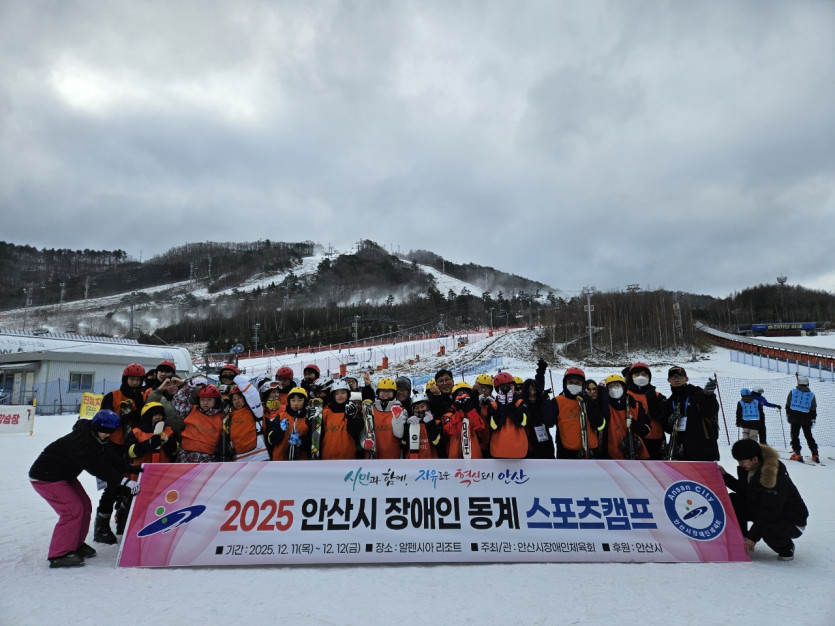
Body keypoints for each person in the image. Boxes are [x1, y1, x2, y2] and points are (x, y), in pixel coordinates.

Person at [29, 410, 140, 568]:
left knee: (85, 506)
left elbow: (109, 456)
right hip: (45, 477)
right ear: (96, 427)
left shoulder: (97, 438)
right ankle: (59, 554)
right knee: (72, 510)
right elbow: (97, 467)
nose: (108, 435)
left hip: (64, 475)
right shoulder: (79, 441)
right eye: (105, 431)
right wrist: (124, 481)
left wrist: (130, 468)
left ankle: (75, 544)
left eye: (111, 431)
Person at [720, 439, 809, 561]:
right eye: (738, 461)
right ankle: (742, 538)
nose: (740, 464)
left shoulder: (773, 476)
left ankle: (787, 548)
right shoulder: (750, 468)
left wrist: (753, 537)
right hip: (768, 510)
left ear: (755, 459)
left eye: (742, 461)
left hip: (791, 520)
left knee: (769, 530)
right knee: (735, 500)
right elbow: (745, 490)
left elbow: (769, 511)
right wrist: (724, 476)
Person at [94, 363, 146, 544]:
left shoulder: (142, 397)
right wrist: (125, 418)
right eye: (132, 379)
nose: (135, 383)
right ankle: (101, 526)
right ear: (125, 379)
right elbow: (103, 421)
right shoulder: (112, 396)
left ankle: (123, 520)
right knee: (112, 487)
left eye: (138, 380)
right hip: (113, 446)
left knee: (132, 486)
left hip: (134, 447)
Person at [662, 366, 720, 461]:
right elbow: (667, 428)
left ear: (686, 379)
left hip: (703, 448)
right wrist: (670, 421)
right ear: (668, 380)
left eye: (680, 376)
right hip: (681, 451)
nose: (677, 379)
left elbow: (712, 410)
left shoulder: (698, 393)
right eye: (673, 377)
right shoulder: (670, 401)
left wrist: (709, 396)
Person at [554, 367, 605, 459]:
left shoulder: (589, 401)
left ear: (583, 385)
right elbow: (548, 422)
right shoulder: (558, 401)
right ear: (565, 383)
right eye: (571, 382)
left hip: (591, 451)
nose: (574, 385)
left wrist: (590, 405)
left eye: (577, 382)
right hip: (567, 452)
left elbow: (600, 425)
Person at [173, 382, 226, 463]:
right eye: (202, 399)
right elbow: (178, 400)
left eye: (209, 400)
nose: (205, 403)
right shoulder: (191, 410)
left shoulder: (222, 416)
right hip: (185, 454)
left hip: (207, 457)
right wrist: (190, 385)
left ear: (216, 400)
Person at [602, 374, 650, 460]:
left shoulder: (635, 405)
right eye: (610, 387)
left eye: (617, 386)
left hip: (635, 453)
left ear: (623, 387)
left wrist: (634, 424)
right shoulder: (606, 406)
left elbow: (646, 431)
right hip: (612, 455)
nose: (613, 389)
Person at [625, 362, 666, 459]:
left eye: (644, 374)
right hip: (633, 440)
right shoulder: (625, 395)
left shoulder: (657, 395)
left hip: (655, 440)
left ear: (649, 377)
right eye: (637, 374)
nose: (641, 377)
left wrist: (653, 400)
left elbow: (661, 415)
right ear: (631, 377)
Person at [486, 372, 529, 459]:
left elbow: (523, 422)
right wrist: (501, 405)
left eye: (510, 386)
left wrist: (511, 404)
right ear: (498, 390)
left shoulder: (520, 402)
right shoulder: (493, 405)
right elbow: (494, 426)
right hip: (498, 451)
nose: (507, 389)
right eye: (503, 387)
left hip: (519, 451)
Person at [362, 378, 406, 460]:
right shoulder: (371, 410)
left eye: (389, 391)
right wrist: (363, 442)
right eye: (382, 391)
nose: (385, 394)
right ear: (378, 393)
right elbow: (364, 432)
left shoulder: (401, 410)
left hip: (393, 457)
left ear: (394, 393)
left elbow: (399, 435)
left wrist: (397, 418)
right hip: (373, 456)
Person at [442, 382, 486, 459]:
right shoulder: (448, 415)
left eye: (465, 393)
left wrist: (469, 410)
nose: (462, 396)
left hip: (474, 456)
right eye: (459, 394)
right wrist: (460, 412)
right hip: (455, 457)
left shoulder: (473, 412)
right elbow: (451, 430)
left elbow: (479, 427)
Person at [267, 387, 310, 461]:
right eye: (293, 400)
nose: (296, 403)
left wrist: (301, 441)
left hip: (301, 461)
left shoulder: (308, 419)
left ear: (305, 402)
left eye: (300, 400)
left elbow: (312, 445)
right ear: (289, 401)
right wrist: (279, 430)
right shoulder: (281, 417)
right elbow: (271, 441)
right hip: (280, 460)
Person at [785, 376, 819, 463]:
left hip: (794, 416)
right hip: (806, 417)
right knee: (808, 435)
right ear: (807, 384)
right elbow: (813, 408)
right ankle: (815, 454)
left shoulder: (793, 391)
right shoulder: (811, 395)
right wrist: (813, 419)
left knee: (794, 435)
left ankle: (797, 453)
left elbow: (788, 404)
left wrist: (788, 414)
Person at [402, 393, 442, 459]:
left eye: (422, 406)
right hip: (412, 460)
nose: (420, 409)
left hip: (431, 461)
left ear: (428, 407)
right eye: (416, 408)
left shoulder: (437, 423)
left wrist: (430, 424)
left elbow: (438, 444)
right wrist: (407, 426)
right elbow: (403, 444)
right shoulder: (410, 423)